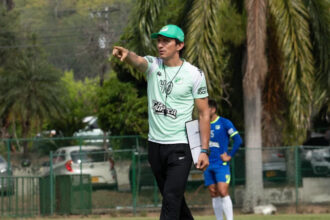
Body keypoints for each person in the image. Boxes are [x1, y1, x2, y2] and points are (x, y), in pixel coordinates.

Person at [112, 24, 210, 220]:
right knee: (173, 198)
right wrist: (127, 54)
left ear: (179, 45)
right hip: (155, 146)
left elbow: (204, 113)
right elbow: (138, 61)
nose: (160, 45)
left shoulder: (194, 74)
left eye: (166, 41)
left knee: (171, 200)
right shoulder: (153, 66)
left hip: (180, 147)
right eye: (159, 40)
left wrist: (204, 150)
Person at [203, 99, 242, 220]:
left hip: (221, 164)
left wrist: (229, 155)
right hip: (208, 164)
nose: (203, 111)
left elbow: (238, 140)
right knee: (213, 193)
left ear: (213, 109)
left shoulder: (225, 123)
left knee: (223, 191)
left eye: (205, 109)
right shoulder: (202, 124)